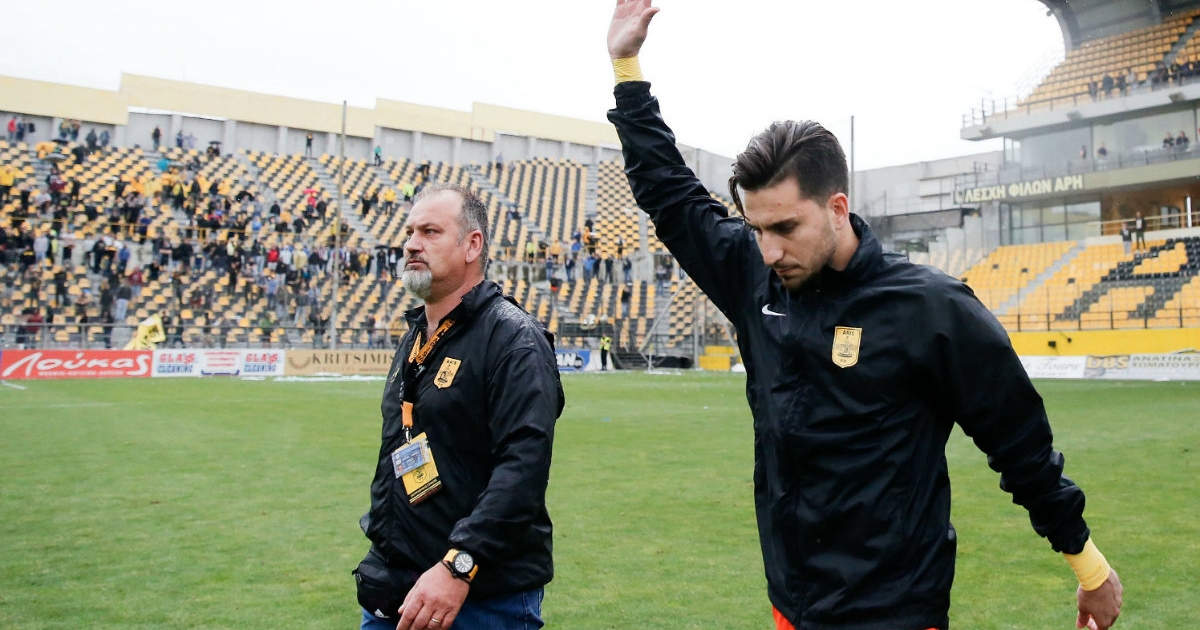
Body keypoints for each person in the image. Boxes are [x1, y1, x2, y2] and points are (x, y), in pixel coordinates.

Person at [604, 3, 1124, 630]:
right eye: (756, 228)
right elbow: (668, 192)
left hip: (895, 612)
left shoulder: (930, 308)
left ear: (836, 207)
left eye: (785, 227)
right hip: (792, 606)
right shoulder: (755, 274)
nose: (768, 250)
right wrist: (626, 67)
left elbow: (1021, 449)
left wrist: (1089, 568)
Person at [355, 183, 563, 630]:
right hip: (397, 588)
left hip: (477, 598)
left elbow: (522, 469)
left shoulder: (513, 339)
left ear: (472, 245)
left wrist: (458, 565)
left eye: (430, 232)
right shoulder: (417, 336)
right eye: (409, 232)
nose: (411, 244)